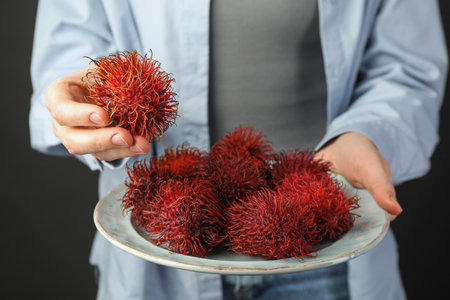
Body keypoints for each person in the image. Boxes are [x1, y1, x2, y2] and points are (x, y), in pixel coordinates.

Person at [29, 0, 447, 299]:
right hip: (158, 255)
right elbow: (67, 64)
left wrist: (366, 135)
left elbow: (408, 68)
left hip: (325, 254)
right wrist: (87, 112)